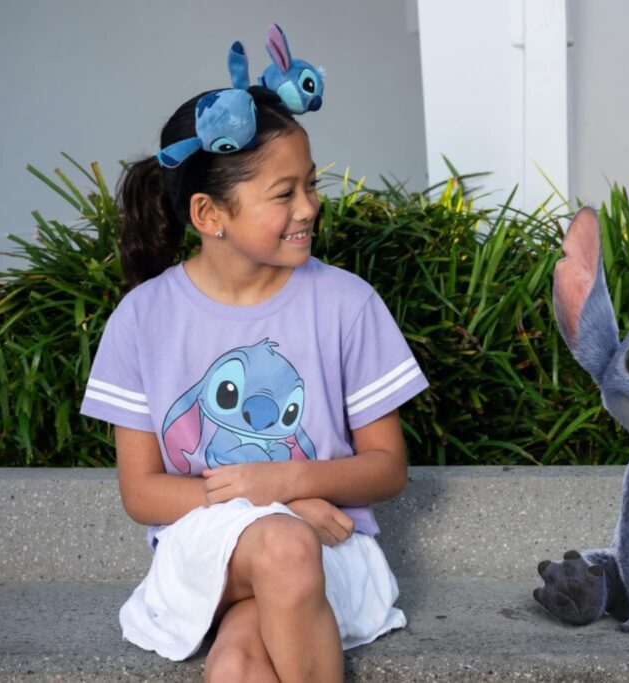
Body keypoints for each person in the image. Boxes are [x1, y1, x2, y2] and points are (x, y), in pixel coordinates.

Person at [79, 51, 427, 682]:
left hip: (332, 547)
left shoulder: (347, 304)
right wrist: (269, 505)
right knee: (281, 545)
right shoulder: (142, 319)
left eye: (311, 185)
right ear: (209, 215)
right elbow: (143, 492)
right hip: (202, 551)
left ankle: (246, 619)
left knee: (239, 662)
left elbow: (387, 469)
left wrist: (285, 485)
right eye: (284, 194)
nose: (309, 206)